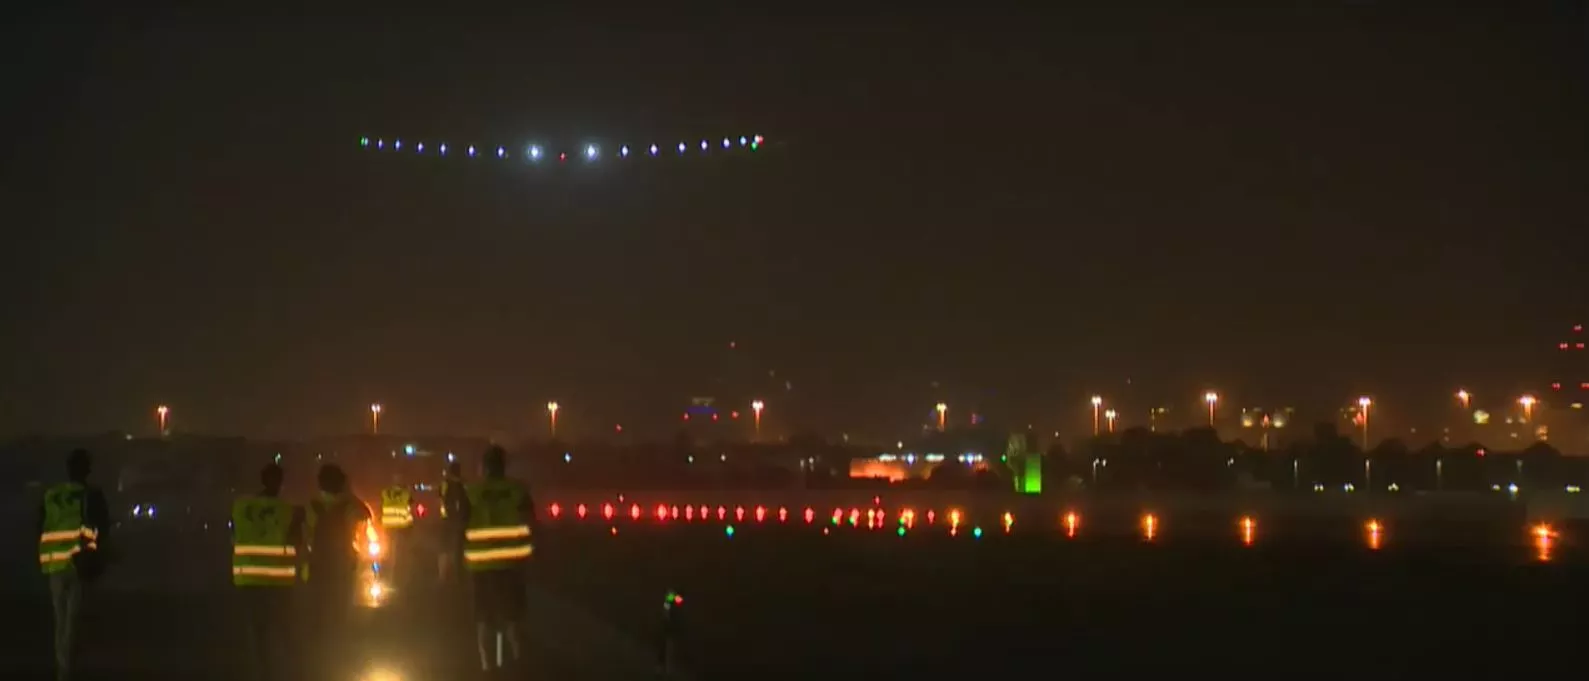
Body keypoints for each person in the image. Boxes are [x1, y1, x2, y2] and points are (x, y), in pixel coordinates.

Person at [36, 448, 110, 681]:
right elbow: (103, 527)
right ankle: (69, 669)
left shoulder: (52, 494)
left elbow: (40, 525)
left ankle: (63, 669)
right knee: (74, 622)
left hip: (54, 565)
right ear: (87, 470)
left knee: (60, 621)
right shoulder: (91, 495)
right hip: (79, 564)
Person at [463, 446, 536, 672]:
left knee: (484, 618)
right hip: (512, 565)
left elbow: (461, 525)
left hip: (481, 566)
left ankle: (487, 667)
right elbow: (532, 523)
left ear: (484, 467)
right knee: (514, 618)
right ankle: (520, 663)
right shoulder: (518, 491)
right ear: (504, 466)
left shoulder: (472, 492)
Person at [230, 462, 302, 681]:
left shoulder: (241, 507)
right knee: (285, 633)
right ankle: (293, 673)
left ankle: (260, 673)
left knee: (257, 634)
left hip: (248, 579)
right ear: (281, 482)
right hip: (279, 581)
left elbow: (233, 536)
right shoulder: (289, 511)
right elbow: (297, 542)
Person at [302, 464, 371, 674]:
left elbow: (304, 534)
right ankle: (338, 657)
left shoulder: (311, 506)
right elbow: (366, 514)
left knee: (318, 612)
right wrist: (349, 492)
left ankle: (317, 660)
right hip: (342, 564)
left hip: (317, 564)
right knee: (340, 612)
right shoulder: (349, 506)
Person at [378, 475, 413, 584]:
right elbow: (410, 507)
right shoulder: (406, 494)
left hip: (387, 526)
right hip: (401, 527)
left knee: (386, 553)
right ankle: (397, 579)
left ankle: (383, 577)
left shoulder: (385, 492)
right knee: (400, 554)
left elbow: (381, 506)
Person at [436, 461, 466, 583]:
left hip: (446, 520)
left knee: (444, 547)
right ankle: (457, 575)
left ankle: (443, 575)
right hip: (460, 521)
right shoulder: (463, 485)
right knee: (458, 547)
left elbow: (440, 498)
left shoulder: (445, 484)